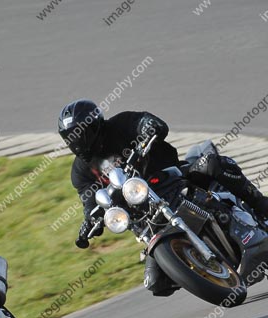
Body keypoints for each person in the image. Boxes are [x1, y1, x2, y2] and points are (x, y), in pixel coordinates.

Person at [57, 99, 268, 295]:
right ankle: (203, 271)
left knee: (212, 164)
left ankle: (262, 207)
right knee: (157, 283)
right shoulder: (80, 172)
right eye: (70, 137)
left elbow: (149, 122)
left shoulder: (121, 124)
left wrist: (149, 128)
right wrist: (90, 219)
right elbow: (89, 200)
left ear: (94, 125)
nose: (76, 141)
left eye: (79, 133)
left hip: (173, 178)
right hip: (145, 216)